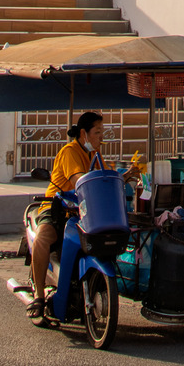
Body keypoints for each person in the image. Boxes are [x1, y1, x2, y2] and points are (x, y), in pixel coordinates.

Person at [27, 111, 105, 326]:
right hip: (56, 207)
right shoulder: (70, 151)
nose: (101, 137)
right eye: (97, 132)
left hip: (82, 211)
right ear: (84, 133)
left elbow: (103, 177)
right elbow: (80, 180)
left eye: (102, 132)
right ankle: (39, 297)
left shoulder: (95, 154)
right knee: (43, 238)